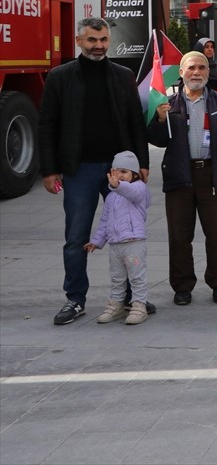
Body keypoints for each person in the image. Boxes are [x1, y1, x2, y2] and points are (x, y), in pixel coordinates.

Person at [39, 17, 151, 326]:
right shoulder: (59, 77)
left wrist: (142, 163)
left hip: (120, 172)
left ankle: (132, 298)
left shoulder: (123, 76)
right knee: (76, 238)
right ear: (78, 41)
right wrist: (49, 170)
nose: (99, 46)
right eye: (92, 40)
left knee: (127, 236)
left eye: (103, 40)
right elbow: (47, 126)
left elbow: (134, 122)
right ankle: (75, 299)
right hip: (79, 170)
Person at [148, 51, 217, 306]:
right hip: (180, 175)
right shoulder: (168, 105)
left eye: (202, 68)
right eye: (191, 67)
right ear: (181, 72)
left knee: (216, 235)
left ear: (208, 72)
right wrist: (159, 119)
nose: (196, 72)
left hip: (213, 175)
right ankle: (182, 286)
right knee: (180, 236)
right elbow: (157, 140)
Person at [84, 151, 152, 325]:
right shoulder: (112, 197)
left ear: (134, 174)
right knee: (117, 278)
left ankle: (139, 306)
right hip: (115, 245)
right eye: (116, 171)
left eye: (124, 172)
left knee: (137, 277)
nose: (120, 176)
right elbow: (105, 221)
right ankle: (116, 304)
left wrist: (117, 186)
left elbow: (133, 193)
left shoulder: (138, 189)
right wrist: (97, 241)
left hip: (134, 243)